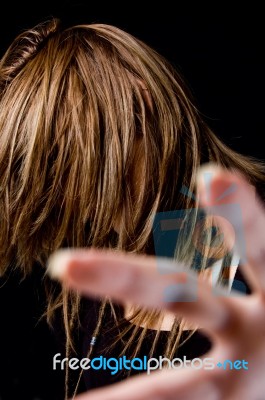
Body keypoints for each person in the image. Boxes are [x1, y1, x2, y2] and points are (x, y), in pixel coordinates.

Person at [0, 17, 264, 400]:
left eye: (71, 167)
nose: (75, 205)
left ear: (140, 109)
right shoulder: (99, 268)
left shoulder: (215, 232)